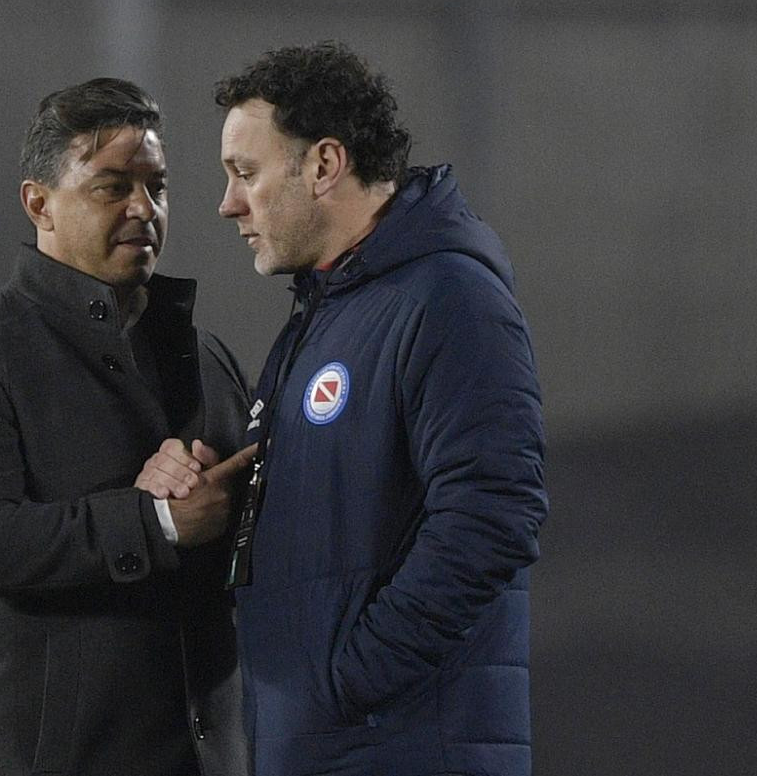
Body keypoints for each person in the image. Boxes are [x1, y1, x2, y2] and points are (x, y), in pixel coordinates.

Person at [156, 42, 548, 775]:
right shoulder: (325, 316)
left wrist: (350, 678)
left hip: (400, 747)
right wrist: (211, 496)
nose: (228, 202)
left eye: (246, 173)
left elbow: (493, 513)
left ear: (325, 164)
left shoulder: (451, 299)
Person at [0, 77, 254, 776]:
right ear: (39, 203)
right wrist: (153, 522)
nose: (142, 207)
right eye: (111, 185)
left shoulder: (205, 357)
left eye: (156, 186)